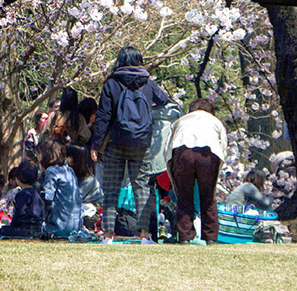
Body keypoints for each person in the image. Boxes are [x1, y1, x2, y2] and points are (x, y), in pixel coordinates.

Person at [90, 46, 169, 244]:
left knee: (111, 189)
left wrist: (95, 144)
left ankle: (108, 236)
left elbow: (103, 116)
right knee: (141, 188)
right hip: (141, 144)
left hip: (115, 143)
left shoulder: (112, 84)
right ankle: (144, 235)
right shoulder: (148, 83)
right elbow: (164, 100)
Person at [164, 97, 227, 245]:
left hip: (182, 151)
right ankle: (210, 237)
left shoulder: (180, 121)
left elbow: (168, 147)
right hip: (209, 153)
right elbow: (222, 146)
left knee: (184, 196)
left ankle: (185, 237)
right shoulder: (215, 121)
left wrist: (171, 168)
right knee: (208, 196)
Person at [38, 138, 83, 237]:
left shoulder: (52, 171)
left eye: (40, 154)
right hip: (76, 226)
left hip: (58, 226)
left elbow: (47, 199)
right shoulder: (69, 170)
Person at [0, 161, 45, 238]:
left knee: (2, 230)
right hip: (37, 228)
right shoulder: (37, 193)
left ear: (18, 178)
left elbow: (19, 214)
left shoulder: (22, 194)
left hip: (25, 229)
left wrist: (12, 226)